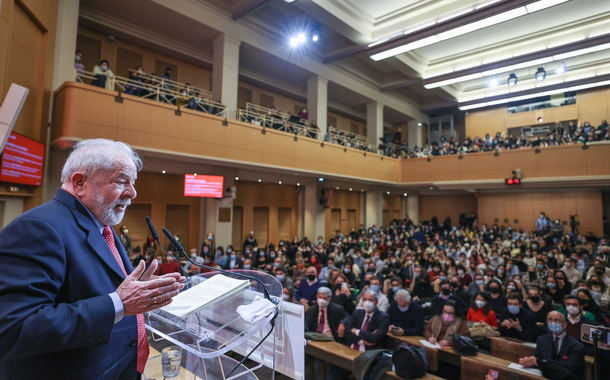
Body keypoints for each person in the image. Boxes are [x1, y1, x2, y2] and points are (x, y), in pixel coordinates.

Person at [0, 139, 185, 379]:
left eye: (133, 183)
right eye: (121, 181)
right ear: (79, 183)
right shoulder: (37, 228)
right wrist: (118, 303)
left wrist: (140, 296)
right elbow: (14, 328)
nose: (133, 192)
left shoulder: (101, 226)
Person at [519, 311, 586, 377]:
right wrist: (529, 362)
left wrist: (541, 362)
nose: (553, 322)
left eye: (556, 320)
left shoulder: (577, 346)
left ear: (565, 325)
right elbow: (537, 358)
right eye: (550, 319)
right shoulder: (542, 340)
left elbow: (569, 366)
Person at [305, 287, 349, 379]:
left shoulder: (337, 309)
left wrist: (342, 323)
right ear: (317, 297)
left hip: (331, 340)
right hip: (316, 339)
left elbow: (348, 317)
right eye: (320, 297)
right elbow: (306, 325)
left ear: (330, 299)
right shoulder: (312, 310)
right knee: (316, 362)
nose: (322, 300)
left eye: (325, 298)